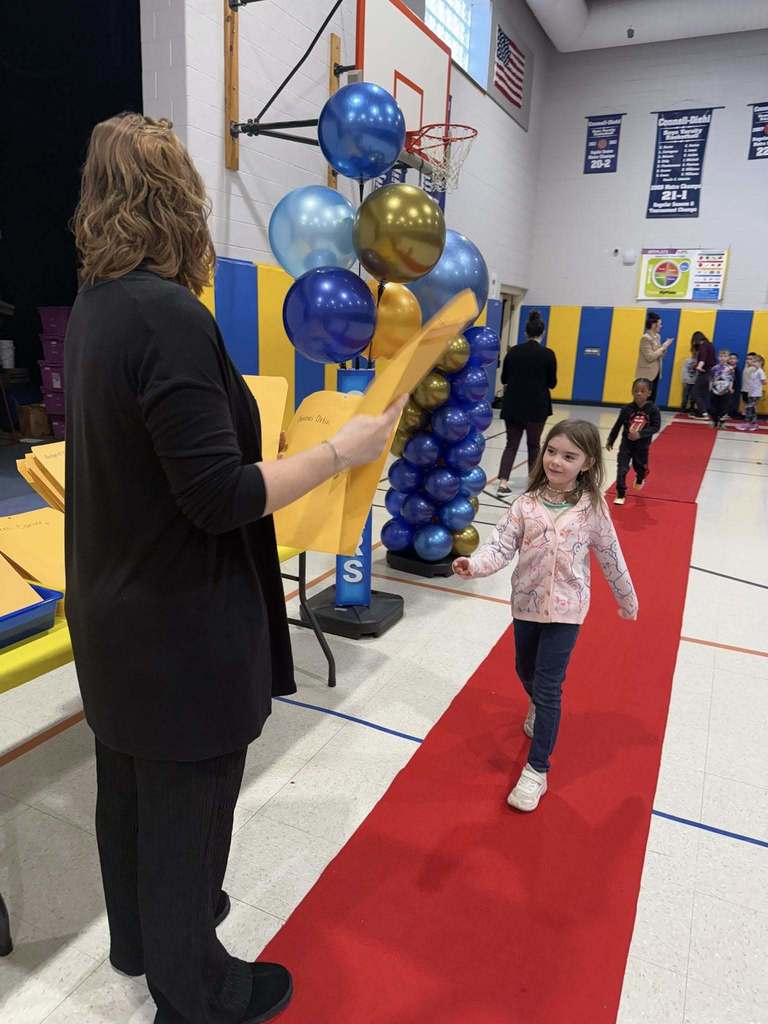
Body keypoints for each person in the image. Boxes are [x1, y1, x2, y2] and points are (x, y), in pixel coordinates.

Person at [66, 113, 407, 1024]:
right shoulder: (167, 316)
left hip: (114, 611)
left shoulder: (96, 307)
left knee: (128, 794)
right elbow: (219, 496)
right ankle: (194, 992)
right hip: (176, 621)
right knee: (187, 809)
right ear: (180, 200)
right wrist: (338, 452)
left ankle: (141, 942)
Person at [452, 420, 638, 813]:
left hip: (568, 610)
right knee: (525, 669)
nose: (556, 461)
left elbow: (610, 555)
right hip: (526, 604)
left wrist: (627, 598)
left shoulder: (593, 509)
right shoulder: (526, 504)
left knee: (550, 685)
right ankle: (536, 702)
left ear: (587, 463)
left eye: (569, 456)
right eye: (552, 451)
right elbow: (500, 546)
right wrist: (475, 564)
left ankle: (537, 770)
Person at [496, 310, 557, 496]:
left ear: (525, 332)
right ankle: (533, 483)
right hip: (537, 407)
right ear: (542, 332)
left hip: (512, 406)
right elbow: (552, 383)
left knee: (511, 444)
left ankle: (503, 482)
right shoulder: (548, 354)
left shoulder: (513, 352)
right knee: (534, 445)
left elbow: (504, 378)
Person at [606, 378, 661, 505]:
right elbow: (617, 425)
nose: (639, 393)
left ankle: (640, 477)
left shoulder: (653, 409)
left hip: (642, 446)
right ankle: (620, 493)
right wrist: (611, 439)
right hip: (626, 444)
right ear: (632, 392)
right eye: (636, 391)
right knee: (622, 468)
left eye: (642, 391)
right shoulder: (626, 409)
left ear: (649, 393)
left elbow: (656, 427)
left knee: (640, 467)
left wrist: (640, 434)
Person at [635, 311, 673, 404]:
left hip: (656, 372)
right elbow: (650, 357)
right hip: (646, 374)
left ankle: (649, 413)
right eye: (660, 324)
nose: (661, 326)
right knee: (643, 399)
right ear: (653, 325)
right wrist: (663, 347)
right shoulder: (645, 338)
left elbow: (660, 355)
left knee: (652, 398)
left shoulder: (657, 337)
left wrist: (664, 348)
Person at [739, 352, 766, 432]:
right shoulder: (755, 371)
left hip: (755, 394)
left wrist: (759, 385)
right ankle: (750, 423)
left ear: (760, 363)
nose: (753, 363)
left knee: (750, 408)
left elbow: (764, 381)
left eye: (755, 361)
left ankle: (752, 423)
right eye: (753, 361)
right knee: (749, 408)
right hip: (751, 392)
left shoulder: (760, 371)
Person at [692, 330, 716, 417]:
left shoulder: (703, 345)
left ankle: (703, 412)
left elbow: (703, 358)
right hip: (712, 372)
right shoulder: (710, 345)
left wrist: (699, 366)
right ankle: (705, 411)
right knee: (704, 393)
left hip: (705, 371)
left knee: (695, 392)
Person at [709, 349, 735, 429]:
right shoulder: (714, 368)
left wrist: (730, 387)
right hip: (715, 390)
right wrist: (710, 387)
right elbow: (711, 378)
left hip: (725, 390)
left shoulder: (730, 369)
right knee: (713, 407)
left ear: (728, 358)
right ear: (718, 357)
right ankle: (714, 421)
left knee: (724, 407)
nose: (723, 358)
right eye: (721, 356)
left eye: (725, 356)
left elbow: (731, 379)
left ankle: (722, 422)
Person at [681, 339, 700, 414]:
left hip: (695, 382)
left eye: (697, 351)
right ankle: (683, 408)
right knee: (685, 395)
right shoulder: (687, 360)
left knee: (693, 396)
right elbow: (684, 371)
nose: (695, 353)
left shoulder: (699, 361)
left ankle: (692, 408)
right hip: (688, 381)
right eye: (694, 351)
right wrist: (684, 380)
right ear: (691, 351)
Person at [727, 352, 743, 419]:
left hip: (735, 388)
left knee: (733, 401)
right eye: (730, 358)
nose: (732, 360)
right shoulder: (726, 368)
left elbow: (738, 381)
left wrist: (736, 389)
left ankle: (732, 413)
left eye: (734, 358)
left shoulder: (737, 370)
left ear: (737, 360)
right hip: (726, 388)